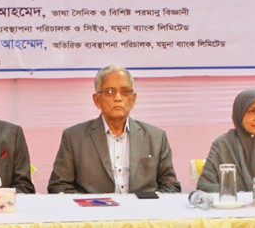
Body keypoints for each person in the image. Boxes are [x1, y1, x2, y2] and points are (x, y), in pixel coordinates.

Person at [48, 65, 181, 194]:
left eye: (125, 92)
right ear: (96, 100)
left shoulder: (156, 137)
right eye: (110, 92)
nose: (118, 98)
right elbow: (60, 186)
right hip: (94, 208)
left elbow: (170, 187)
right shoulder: (74, 138)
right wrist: (89, 204)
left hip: (142, 208)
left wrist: (148, 204)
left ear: (133, 99)